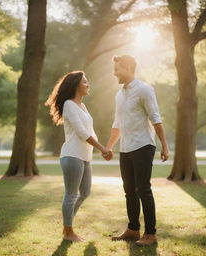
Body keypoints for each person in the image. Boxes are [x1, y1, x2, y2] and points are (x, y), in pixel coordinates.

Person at [104, 55, 169, 246]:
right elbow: (117, 124)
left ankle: (150, 233)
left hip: (143, 146)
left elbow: (156, 118)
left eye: (117, 69)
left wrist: (164, 145)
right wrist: (109, 147)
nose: (114, 73)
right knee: (129, 191)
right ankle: (133, 229)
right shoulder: (119, 94)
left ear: (128, 68)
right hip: (125, 148)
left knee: (143, 189)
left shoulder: (144, 90)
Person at [45, 71, 112, 242]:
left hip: (85, 156)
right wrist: (102, 148)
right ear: (76, 85)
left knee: (86, 192)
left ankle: (67, 225)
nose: (88, 84)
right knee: (71, 194)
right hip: (72, 155)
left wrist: (103, 149)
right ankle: (68, 231)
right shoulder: (68, 104)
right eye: (85, 82)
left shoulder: (83, 106)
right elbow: (82, 133)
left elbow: (91, 132)